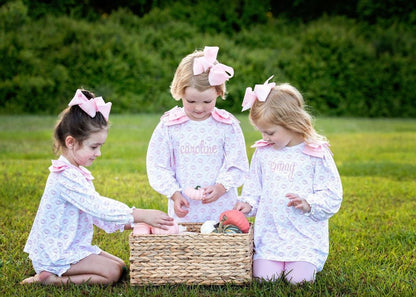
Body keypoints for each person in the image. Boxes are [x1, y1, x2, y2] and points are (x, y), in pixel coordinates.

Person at [21, 89, 173, 285]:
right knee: (110, 274)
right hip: (56, 251)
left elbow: (95, 215)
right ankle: (49, 278)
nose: (98, 153)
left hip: (73, 245)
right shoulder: (64, 175)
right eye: (94, 147)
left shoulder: (76, 172)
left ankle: (58, 273)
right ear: (71, 142)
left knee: (120, 266)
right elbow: (97, 206)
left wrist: (135, 223)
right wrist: (140, 214)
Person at [234, 77, 343, 284]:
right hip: (271, 234)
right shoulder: (263, 152)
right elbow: (255, 186)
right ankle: (271, 257)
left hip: (303, 236)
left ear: (291, 123)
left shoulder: (315, 153)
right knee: (265, 278)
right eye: (262, 132)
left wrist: (308, 203)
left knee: (298, 280)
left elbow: (331, 193)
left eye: (270, 132)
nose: (265, 137)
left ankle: (303, 260)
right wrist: (247, 203)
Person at [146, 46, 249, 222]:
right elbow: (158, 164)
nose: (199, 108)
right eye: (191, 101)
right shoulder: (169, 126)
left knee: (221, 244)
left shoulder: (227, 125)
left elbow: (237, 163)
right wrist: (173, 193)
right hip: (185, 208)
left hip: (221, 205)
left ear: (218, 92)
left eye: (207, 101)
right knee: (186, 246)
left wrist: (221, 187)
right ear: (180, 93)